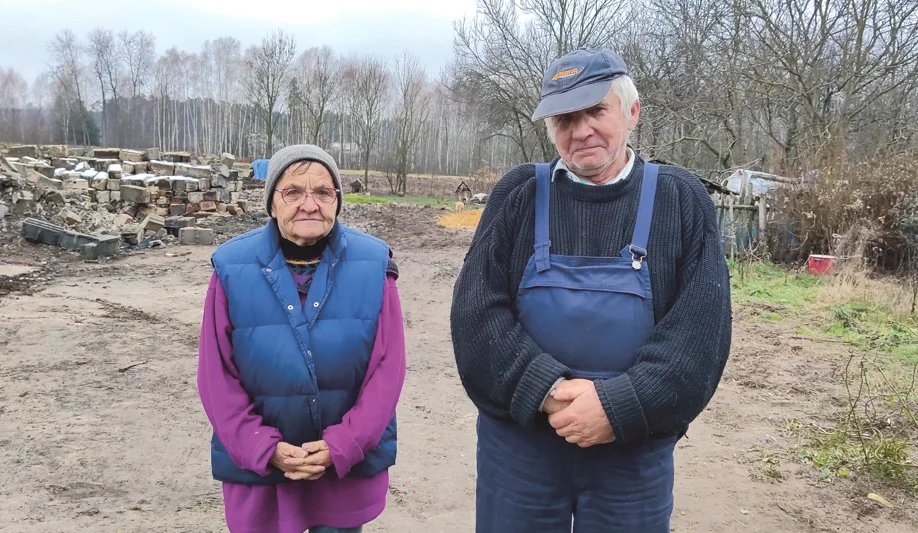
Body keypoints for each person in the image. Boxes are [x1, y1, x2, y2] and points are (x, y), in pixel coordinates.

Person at [450, 48, 732, 532]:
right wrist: (546, 390)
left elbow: (700, 338)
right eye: (564, 118)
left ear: (632, 112)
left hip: (631, 450)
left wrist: (620, 405)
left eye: (596, 111)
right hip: (521, 450)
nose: (580, 130)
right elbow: (476, 318)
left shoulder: (680, 200)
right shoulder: (517, 194)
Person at [197, 144, 406, 533]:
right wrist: (262, 447)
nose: (309, 204)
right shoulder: (231, 268)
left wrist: (345, 444)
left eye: (323, 192)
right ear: (271, 204)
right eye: (293, 192)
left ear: (338, 202)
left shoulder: (374, 264)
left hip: (344, 468)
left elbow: (388, 370)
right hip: (264, 473)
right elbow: (216, 378)